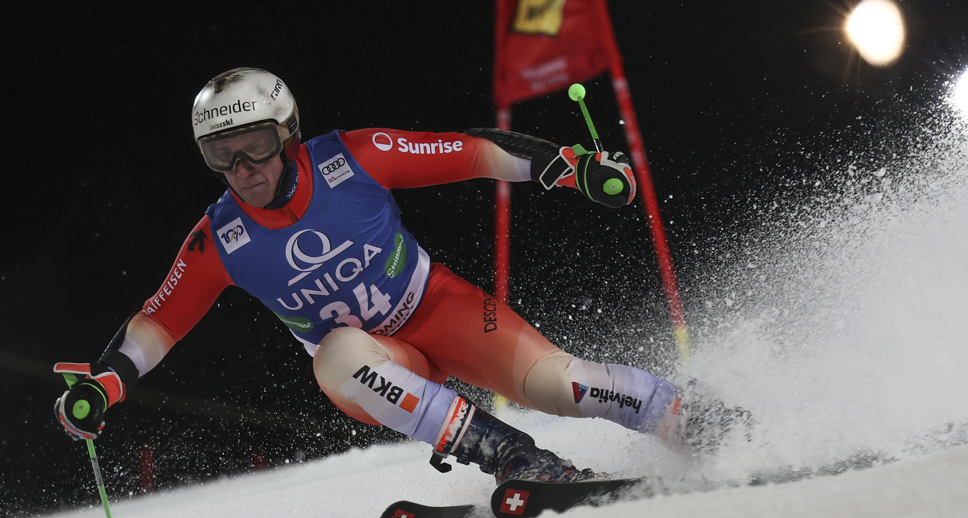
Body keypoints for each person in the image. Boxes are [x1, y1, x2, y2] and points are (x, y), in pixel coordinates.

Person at [53, 68, 724, 484]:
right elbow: (160, 319)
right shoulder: (220, 236)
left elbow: (474, 152)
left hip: (442, 308)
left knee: (562, 383)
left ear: (288, 135)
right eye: (219, 156)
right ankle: (512, 455)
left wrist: (570, 167)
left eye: (254, 146)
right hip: (378, 367)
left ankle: (692, 418)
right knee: (337, 352)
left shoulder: (356, 156)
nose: (243, 169)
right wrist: (109, 382)